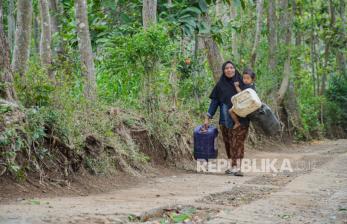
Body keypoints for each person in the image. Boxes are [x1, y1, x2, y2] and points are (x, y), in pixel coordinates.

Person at [203, 61, 250, 176]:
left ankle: (237, 168)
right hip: (225, 119)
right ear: (223, 71)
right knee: (228, 143)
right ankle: (232, 166)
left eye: (231, 68)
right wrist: (207, 118)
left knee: (237, 142)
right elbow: (215, 102)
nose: (229, 70)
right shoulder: (220, 85)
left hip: (242, 119)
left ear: (235, 69)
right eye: (226, 68)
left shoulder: (242, 82)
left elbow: (251, 97)